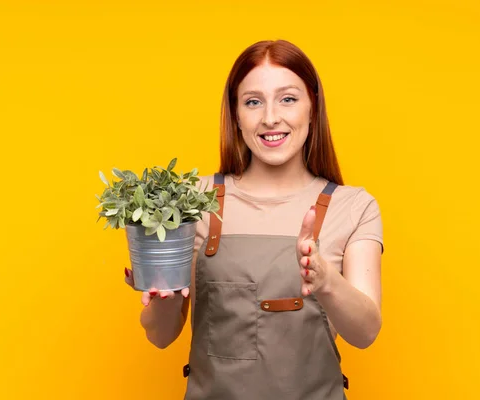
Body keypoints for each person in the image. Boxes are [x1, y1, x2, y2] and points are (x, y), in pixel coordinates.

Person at [124, 39, 384, 400]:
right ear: (236, 115)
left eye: (288, 99)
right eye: (253, 102)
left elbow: (366, 332)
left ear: (313, 108)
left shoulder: (353, 207)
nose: (270, 118)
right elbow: (160, 336)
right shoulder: (192, 202)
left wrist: (325, 280)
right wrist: (162, 294)